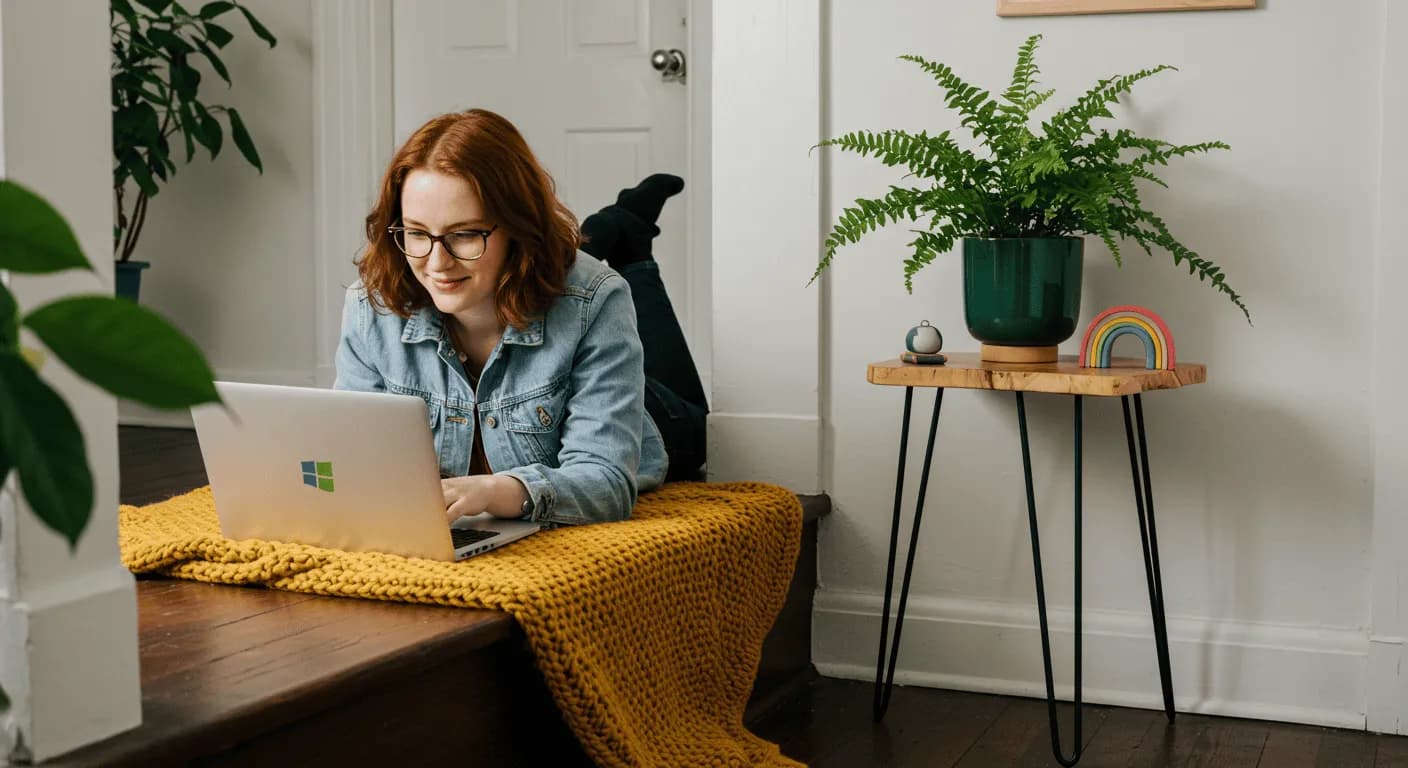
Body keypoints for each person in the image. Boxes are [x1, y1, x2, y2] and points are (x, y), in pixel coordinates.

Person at [334, 108, 707, 527]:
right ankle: (607, 230)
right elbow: (348, 462)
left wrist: (500, 492)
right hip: (531, 275)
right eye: (416, 233)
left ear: (516, 228)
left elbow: (606, 481)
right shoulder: (371, 307)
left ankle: (632, 245)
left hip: (658, 419)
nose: (436, 261)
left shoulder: (595, 300)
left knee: (694, 413)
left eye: (464, 234)